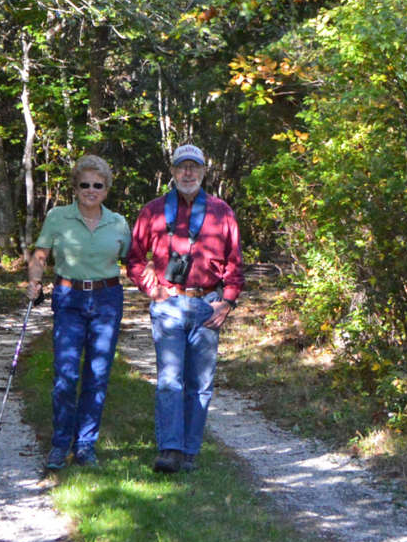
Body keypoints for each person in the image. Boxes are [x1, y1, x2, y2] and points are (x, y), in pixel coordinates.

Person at [126, 144, 244, 473]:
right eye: (182, 167)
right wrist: (152, 289)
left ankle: (190, 449)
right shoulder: (153, 210)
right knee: (169, 380)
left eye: (194, 167)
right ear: (173, 172)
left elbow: (235, 263)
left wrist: (228, 301)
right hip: (169, 304)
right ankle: (170, 449)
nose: (188, 173)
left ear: (204, 172)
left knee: (200, 383)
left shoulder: (222, 211)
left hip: (207, 304)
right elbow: (134, 258)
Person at [26, 154, 131, 469]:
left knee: (97, 374)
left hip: (107, 299)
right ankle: (60, 444)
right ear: (75, 187)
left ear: (106, 189)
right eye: (84, 184)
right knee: (67, 373)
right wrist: (34, 282)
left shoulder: (119, 222)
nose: (90, 190)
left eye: (97, 185)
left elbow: (134, 260)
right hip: (69, 296)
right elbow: (41, 254)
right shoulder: (58, 217)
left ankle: (85, 446)